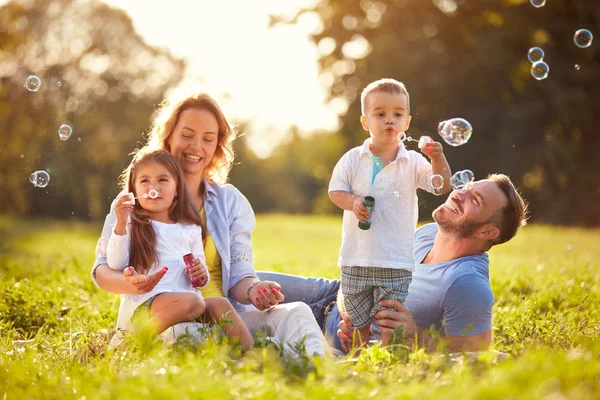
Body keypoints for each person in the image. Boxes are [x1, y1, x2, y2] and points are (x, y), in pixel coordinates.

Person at [92, 92, 328, 356]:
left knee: (297, 312)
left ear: (218, 146)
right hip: (170, 320)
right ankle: (259, 360)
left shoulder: (230, 201)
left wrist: (254, 289)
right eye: (187, 134)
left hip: (226, 319)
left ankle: (317, 371)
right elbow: (103, 270)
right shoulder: (136, 200)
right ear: (168, 136)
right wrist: (131, 284)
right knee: (186, 337)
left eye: (208, 139)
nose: (197, 147)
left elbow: (240, 275)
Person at [259, 173, 528, 353]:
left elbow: (474, 361)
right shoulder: (429, 233)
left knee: (241, 324)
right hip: (333, 294)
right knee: (240, 281)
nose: (459, 194)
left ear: (486, 232)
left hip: (339, 339)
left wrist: (415, 338)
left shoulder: (468, 285)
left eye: (475, 200)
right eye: (466, 188)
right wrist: (350, 307)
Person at [328, 78, 451, 348]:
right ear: (365, 122)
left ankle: (388, 356)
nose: (389, 121)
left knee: (389, 318)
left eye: (397, 114)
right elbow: (335, 191)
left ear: (407, 123)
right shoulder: (352, 158)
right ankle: (357, 357)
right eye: (380, 114)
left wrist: (437, 158)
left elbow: (440, 185)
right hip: (357, 257)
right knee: (357, 319)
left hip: (395, 259)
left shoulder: (413, 161)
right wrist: (353, 202)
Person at [106, 149, 253, 348]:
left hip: (188, 303)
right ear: (134, 190)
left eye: (162, 180)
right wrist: (121, 224)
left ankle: (250, 355)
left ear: (177, 188)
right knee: (194, 302)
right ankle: (134, 342)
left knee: (220, 304)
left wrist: (201, 275)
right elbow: (115, 264)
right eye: (144, 181)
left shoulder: (190, 228)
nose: (153, 187)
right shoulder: (133, 224)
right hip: (147, 305)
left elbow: (200, 281)